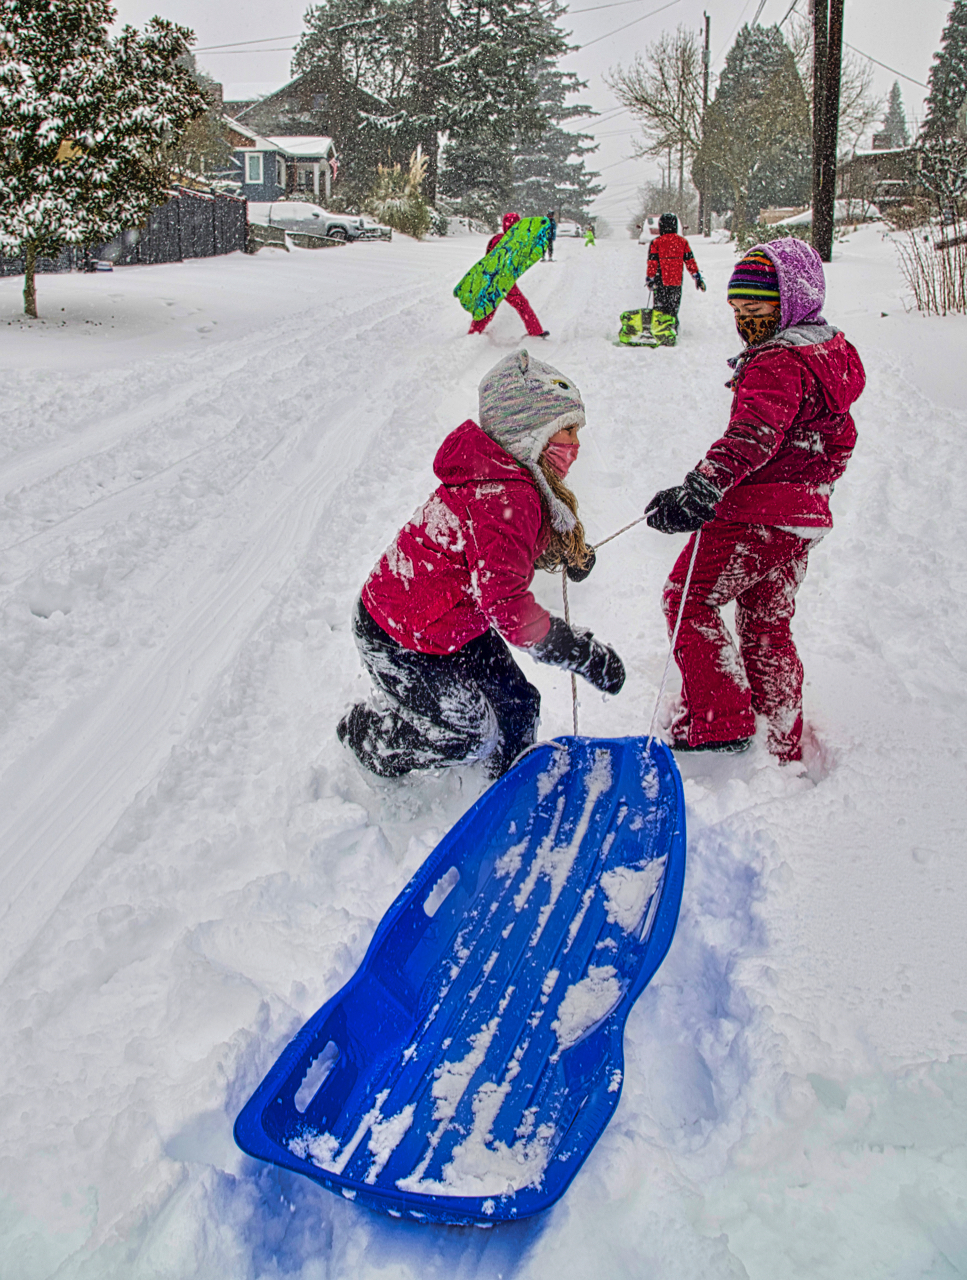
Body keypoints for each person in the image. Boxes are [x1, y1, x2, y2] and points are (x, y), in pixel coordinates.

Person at [338, 350, 626, 779]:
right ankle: (369, 737)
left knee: (518, 705)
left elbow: (503, 554)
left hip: (451, 622)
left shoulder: (511, 482)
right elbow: (507, 606)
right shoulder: (502, 496)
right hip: (398, 636)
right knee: (462, 734)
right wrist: (577, 650)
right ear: (530, 434)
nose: (576, 445)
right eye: (566, 431)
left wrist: (565, 554)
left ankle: (506, 788)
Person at [644, 239, 866, 763]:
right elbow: (841, 440)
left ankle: (722, 721)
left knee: (686, 600)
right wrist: (813, 490)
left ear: (791, 301)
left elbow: (752, 434)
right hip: (801, 519)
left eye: (759, 310)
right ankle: (780, 723)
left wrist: (703, 487)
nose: (747, 323)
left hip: (756, 512)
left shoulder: (777, 362)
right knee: (767, 617)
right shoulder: (827, 356)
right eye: (738, 312)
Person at [468, 212, 549, 338]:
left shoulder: (496, 239)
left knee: (488, 306)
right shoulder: (517, 242)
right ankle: (535, 331)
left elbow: (487, 259)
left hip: (492, 279)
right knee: (522, 305)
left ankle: (474, 331)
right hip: (506, 281)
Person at [645, 212, 705, 346]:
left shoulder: (656, 243)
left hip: (660, 282)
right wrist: (697, 276)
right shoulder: (682, 242)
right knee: (673, 307)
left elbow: (652, 262)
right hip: (676, 282)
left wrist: (650, 278)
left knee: (660, 308)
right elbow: (690, 261)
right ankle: (673, 328)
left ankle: (659, 330)